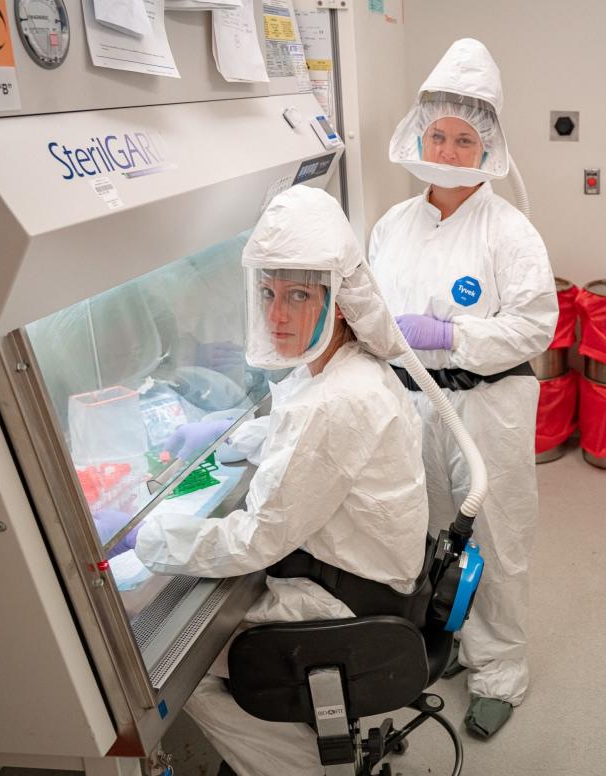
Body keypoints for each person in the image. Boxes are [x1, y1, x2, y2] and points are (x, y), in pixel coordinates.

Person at [129, 185, 429, 776]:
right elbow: (302, 435)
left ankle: (305, 768)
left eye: (297, 295)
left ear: (339, 301)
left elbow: (257, 539)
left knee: (182, 675)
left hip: (344, 599)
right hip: (367, 576)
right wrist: (238, 437)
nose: (277, 316)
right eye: (267, 293)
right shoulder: (344, 366)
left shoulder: (339, 400)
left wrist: (149, 538)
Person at [370, 38, 557, 738]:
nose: (446, 151)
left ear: (487, 148)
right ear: (420, 133)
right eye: (438, 135)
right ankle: (447, 642)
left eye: (463, 139)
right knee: (422, 535)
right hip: (409, 406)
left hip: (488, 409)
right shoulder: (392, 226)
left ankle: (500, 672)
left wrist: (451, 335)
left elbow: (536, 326)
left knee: (496, 539)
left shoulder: (510, 232)